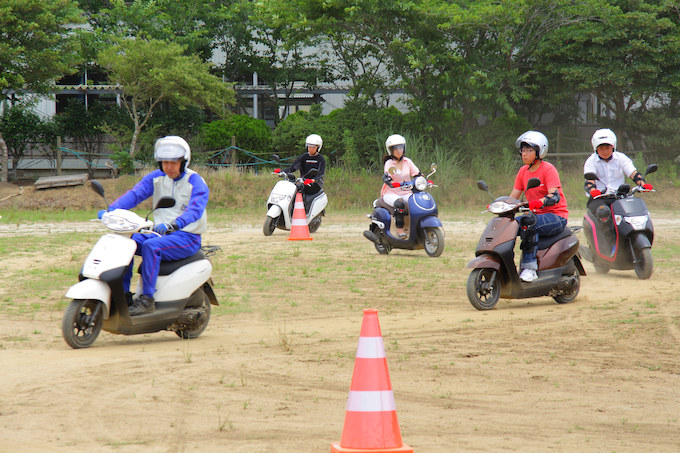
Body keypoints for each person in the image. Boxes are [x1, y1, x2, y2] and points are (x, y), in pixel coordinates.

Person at [98, 136, 209, 316]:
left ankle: (147, 300)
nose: (169, 167)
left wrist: (176, 224)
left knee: (151, 247)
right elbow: (135, 194)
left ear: (184, 162)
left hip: (187, 236)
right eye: (165, 162)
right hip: (159, 234)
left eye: (174, 162)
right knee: (126, 242)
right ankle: (123, 295)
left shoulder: (195, 182)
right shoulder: (156, 178)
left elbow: (195, 210)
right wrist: (111, 211)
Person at [510, 131, 569, 283]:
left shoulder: (548, 169)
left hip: (556, 216)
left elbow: (554, 196)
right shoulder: (523, 171)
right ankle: (507, 265)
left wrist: (540, 202)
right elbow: (513, 197)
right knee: (509, 226)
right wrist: (502, 205)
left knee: (529, 222)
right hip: (535, 216)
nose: (524, 154)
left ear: (539, 151)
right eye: (523, 150)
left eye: (529, 150)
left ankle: (530, 268)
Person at [583, 128, 652, 220]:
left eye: (607, 148)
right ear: (596, 148)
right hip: (599, 198)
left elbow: (633, 173)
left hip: (620, 197)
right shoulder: (591, 161)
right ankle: (606, 234)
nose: (605, 151)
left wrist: (643, 184)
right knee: (603, 212)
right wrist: (593, 191)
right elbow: (589, 182)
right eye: (601, 148)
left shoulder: (621, 158)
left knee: (635, 211)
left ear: (613, 147)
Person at [379, 134, 421, 238]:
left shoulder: (408, 162)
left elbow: (417, 174)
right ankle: (400, 230)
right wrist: (388, 180)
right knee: (399, 203)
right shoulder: (389, 163)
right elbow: (387, 174)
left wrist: (422, 179)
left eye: (401, 148)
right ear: (391, 151)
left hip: (407, 192)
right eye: (396, 149)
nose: (399, 151)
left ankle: (416, 227)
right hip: (391, 193)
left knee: (417, 201)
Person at [274, 133, 326, 198]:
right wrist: (282, 171)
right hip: (302, 182)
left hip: (315, 185)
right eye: (309, 146)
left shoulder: (321, 159)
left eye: (313, 147)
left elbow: (321, 174)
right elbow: (293, 167)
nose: (311, 149)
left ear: (318, 148)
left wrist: (313, 180)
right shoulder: (304, 157)